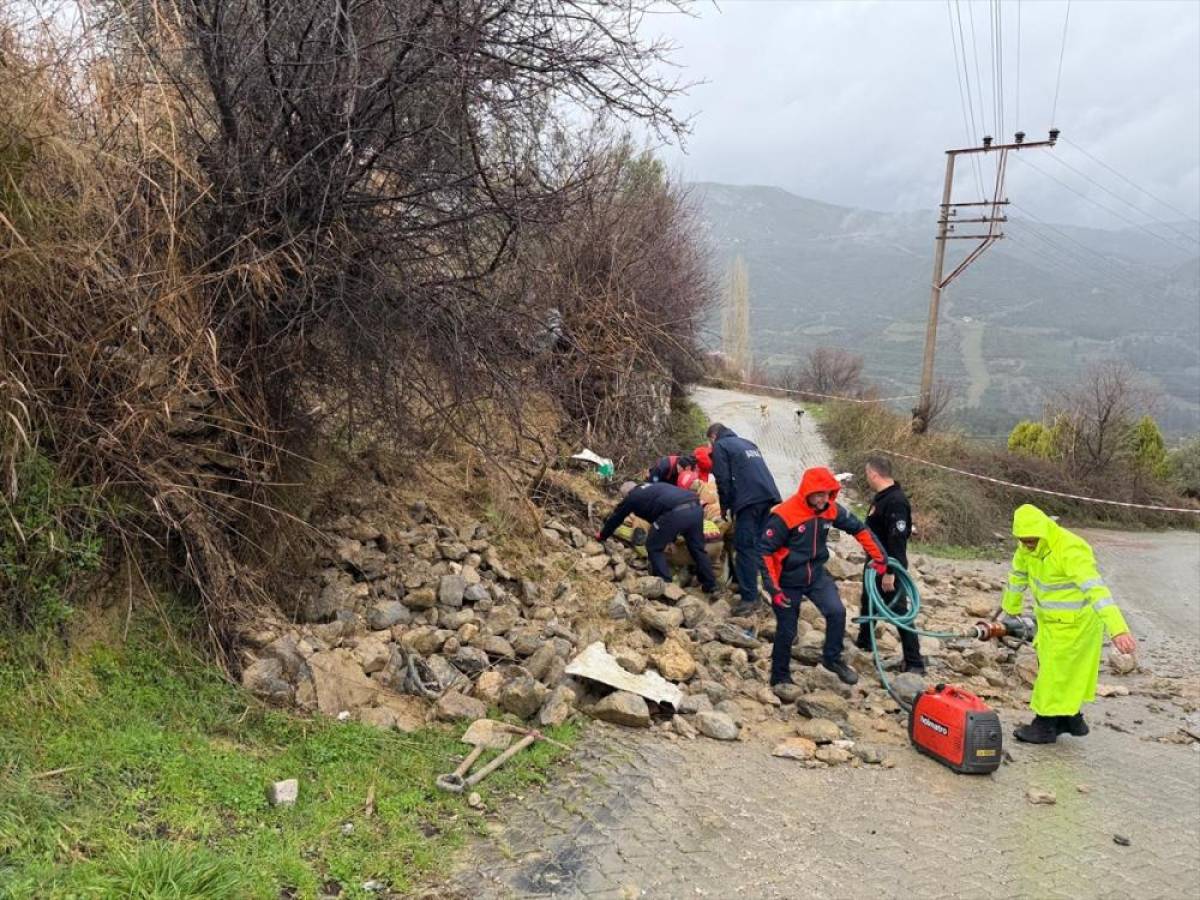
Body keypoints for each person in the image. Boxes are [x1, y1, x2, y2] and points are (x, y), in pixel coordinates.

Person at [1002, 504, 1137, 744]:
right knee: (1060, 673)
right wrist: (1010, 608)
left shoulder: (1070, 549)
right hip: (1051, 622)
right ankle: (1071, 720)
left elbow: (1096, 590)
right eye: (1023, 540)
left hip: (1079, 625)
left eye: (1032, 540)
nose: (1027, 544)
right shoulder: (1026, 547)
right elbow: (1018, 576)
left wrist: (1118, 629)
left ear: (1043, 531)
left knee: (1055, 676)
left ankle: (1043, 726)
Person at [758, 466, 888, 686]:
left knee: (837, 612)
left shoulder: (830, 509)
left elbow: (859, 529)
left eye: (827, 493)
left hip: (816, 574)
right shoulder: (784, 515)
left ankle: (832, 658)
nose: (823, 499)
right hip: (788, 579)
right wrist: (774, 589)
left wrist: (880, 557)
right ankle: (779, 676)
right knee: (788, 630)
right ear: (807, 492)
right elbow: (765, 552)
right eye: (818, 494)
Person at [854, 455, 925, 674]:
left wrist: (891, 572)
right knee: (868, 604)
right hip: (874, 564)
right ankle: (864, 642)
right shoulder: (882, 497)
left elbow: (897, 540)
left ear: (874, 474)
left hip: (887, 566)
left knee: (898, 611)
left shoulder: (896, 501)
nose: (867, 478)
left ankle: (914, 662)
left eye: (868, 474)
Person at [706, 423, 781, 616]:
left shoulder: (721, 446)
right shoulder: (748, 443)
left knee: (744, 546)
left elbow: (722, 478)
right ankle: (765, 589)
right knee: (759, 546)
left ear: (714, 437)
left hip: (750, 501)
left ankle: (750, 599)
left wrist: (725, 508)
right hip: (769, 496)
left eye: (710, 441)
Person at [597, 481, 717, 593]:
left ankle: (666, 585)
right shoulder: (652, 487)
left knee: (654, 546)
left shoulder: (632, 497)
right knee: (697, 548)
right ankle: (710, 584)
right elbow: (662, 514)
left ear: (627, 493)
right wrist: (670, 538)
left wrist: (602, 535)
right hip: (696, 509)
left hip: (677, 513)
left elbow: (616, 517)